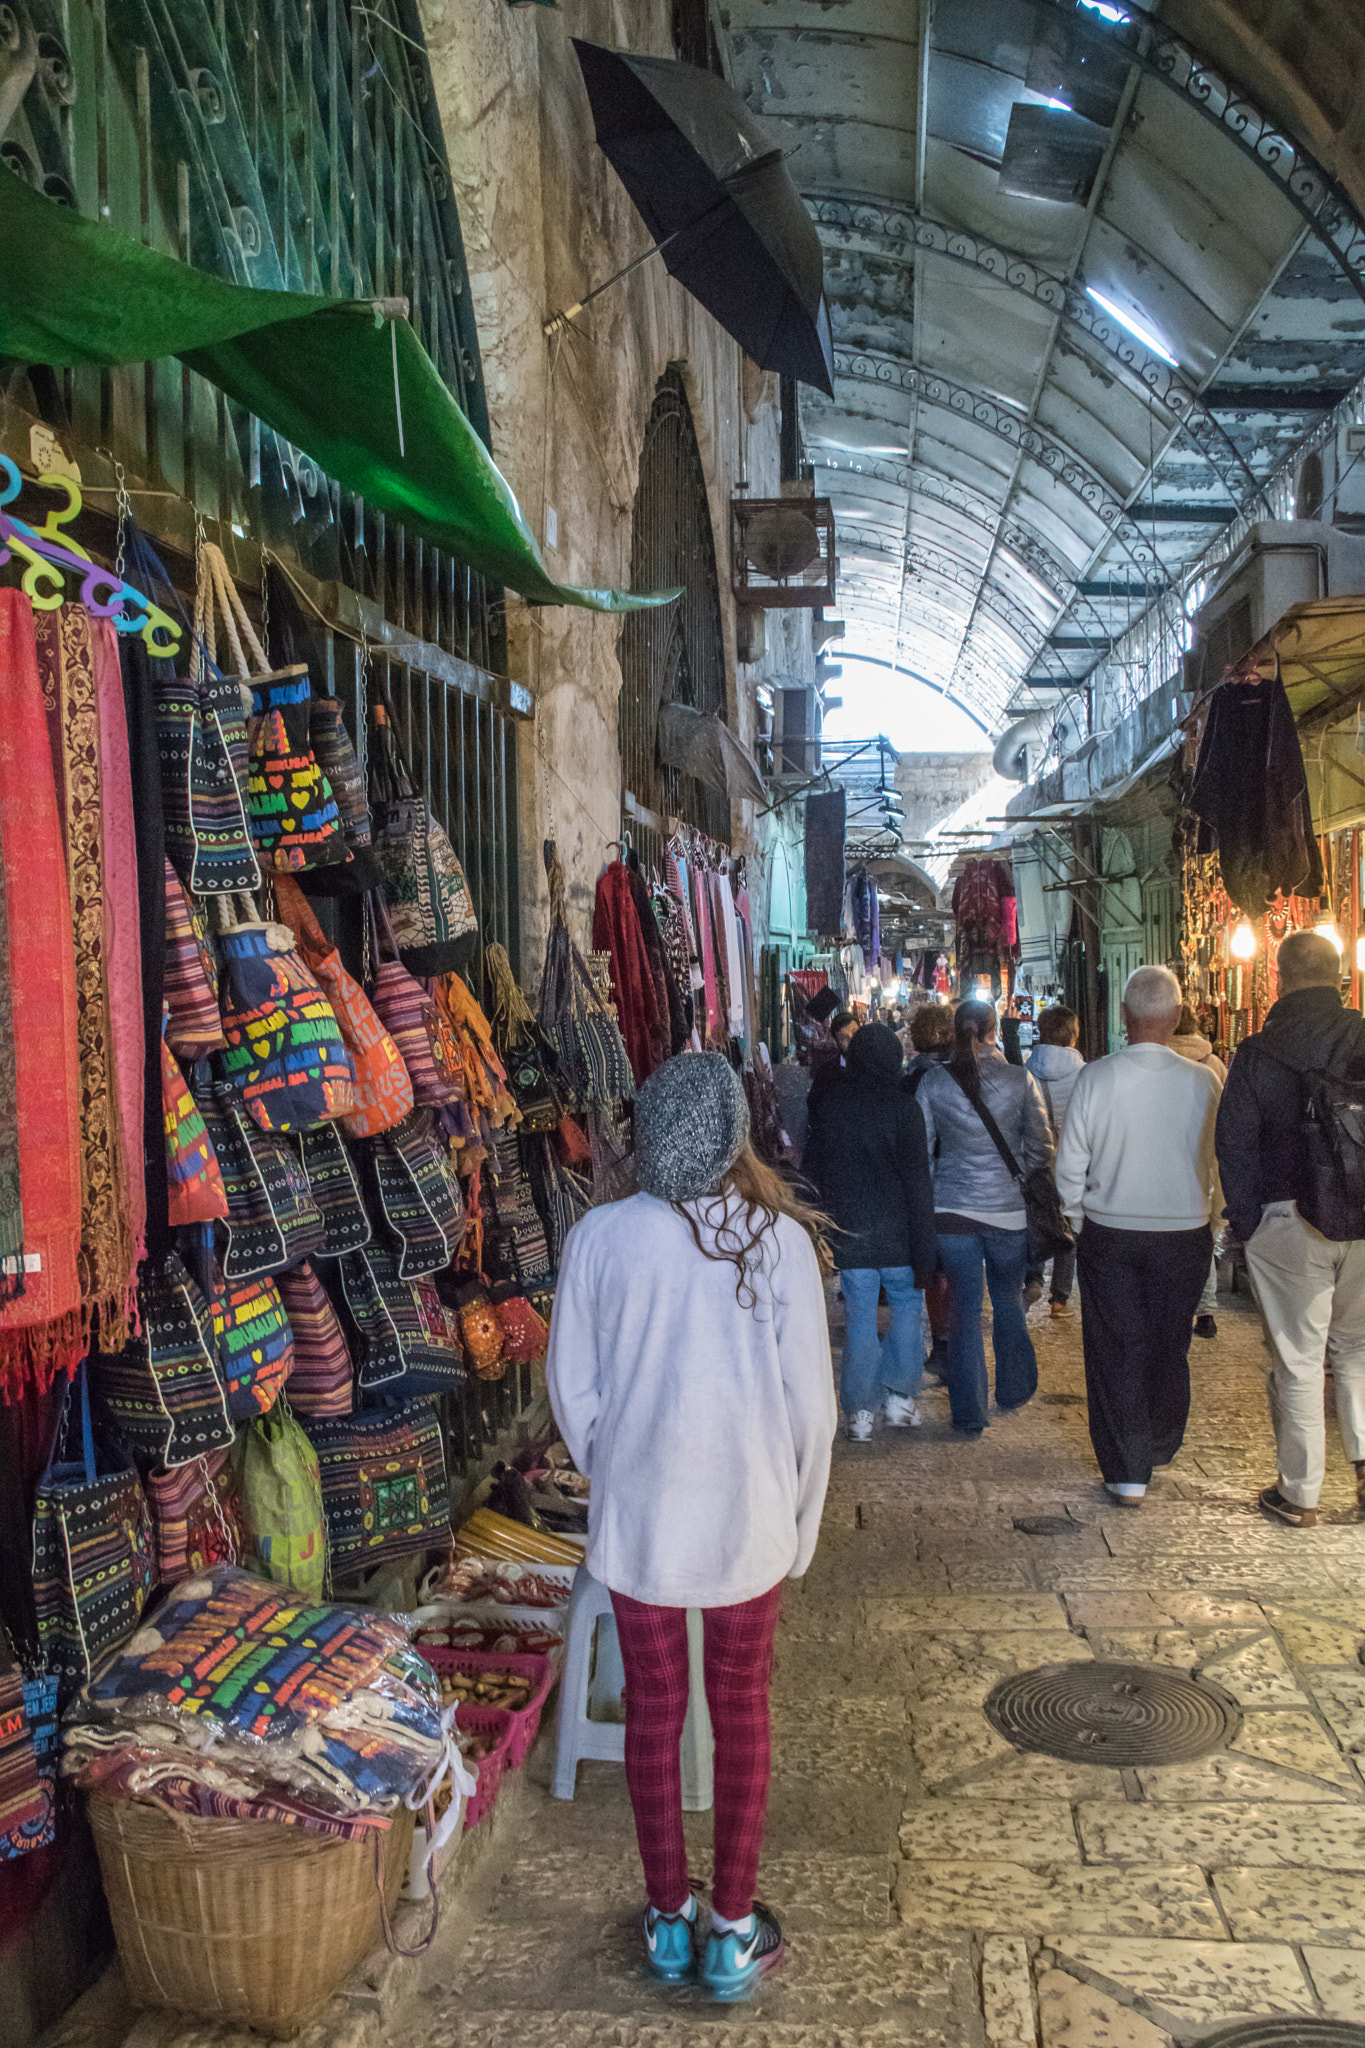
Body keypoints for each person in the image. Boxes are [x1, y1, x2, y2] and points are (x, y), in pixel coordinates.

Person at [546, 1053, 836, 1996]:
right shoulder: (775, 1238)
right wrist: (798, 1518)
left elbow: (571, 1392)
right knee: (742, 1709)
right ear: (731, 1134)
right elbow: (812, 1410)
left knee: (655, 1715)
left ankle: (668, 1917)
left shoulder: (599, 1237)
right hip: (748, 1507)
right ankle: (734, 1928)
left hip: (641, 1520)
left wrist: (617, 1467)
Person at [1055, 966, 1222, 1505]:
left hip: (1111, 1233)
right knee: (1168, 1342)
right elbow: (1219, 1163)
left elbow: (1069, 1166)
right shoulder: (1204, 1082)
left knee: (1114, 1347)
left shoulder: (1097, 1078)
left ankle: (1127, 1470)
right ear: (1175, 1019)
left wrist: (1079, 1219)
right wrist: (1212, 1219)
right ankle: (1158, 1442)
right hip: (1185, 1234)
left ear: (1124, 1018)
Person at [1215, 930, 1365, 1528]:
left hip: (1289, 1216)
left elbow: (1235, 1143)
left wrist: (1245, 1222)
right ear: (1340, 974)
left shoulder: (1258, 1052)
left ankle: (1300, 1494)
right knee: (1357, 1349)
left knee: (1299, 1359)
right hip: (1364, 1215)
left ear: (1278, 977)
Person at [916, 1000, 1054, 1435]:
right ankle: (1012, 1388)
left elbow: (923, 1151)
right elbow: (1042, 1147)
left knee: (964, 1310)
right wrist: (1018, 1176)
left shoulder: (935, 1083)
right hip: (1008, 1215)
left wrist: (942, 1189)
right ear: (996, 1029)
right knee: (1008, 1300)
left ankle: (970, 1412)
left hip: (952, 1214)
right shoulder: (1020, 1078)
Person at [804, 1022, 937, 1440]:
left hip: (852, 1235)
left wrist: (820, 1229)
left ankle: (859, 1416)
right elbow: (919, 1183)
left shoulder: (832, 1106)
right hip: (899, 1236)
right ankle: (899, 1402)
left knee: (860, 1320)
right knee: (907, 1316)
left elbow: (814, 1173)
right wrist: (925, 1248)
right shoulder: (904, 1109)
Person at [903, 1004, 955, 1377]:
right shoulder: (964, 1075)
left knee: (934, 1271)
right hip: (961, 1184)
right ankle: (954, 1342)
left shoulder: (907, 1079)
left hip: (924, 1186)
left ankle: (942, 1343)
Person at [1024, 1006, 1086, 1317]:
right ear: (1073, 1035)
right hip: (1074, 1156)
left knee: (1038, 1216)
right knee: (1069, 1222)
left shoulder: (1026, 1071)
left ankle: (1033, 1279)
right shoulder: (1085, 1074)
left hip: (1037, 1156)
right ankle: (1060, 1297)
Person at [1172, 1003, 1228, 1340]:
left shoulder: (1159, 1061)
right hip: (1205, 1161)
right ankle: (1205, 1312)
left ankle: (1173, 1307)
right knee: (1204, 1240)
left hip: (1168, 1163)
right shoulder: (1214, 1064)